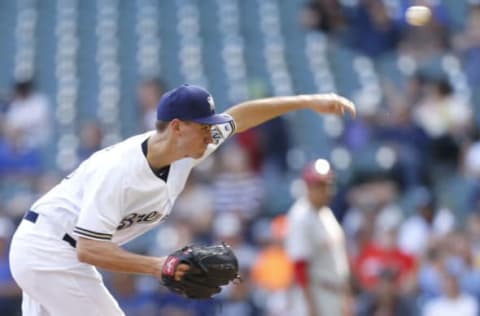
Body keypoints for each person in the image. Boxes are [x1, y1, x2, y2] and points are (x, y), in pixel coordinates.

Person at [8, 84, 355, 315]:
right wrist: (158, 265)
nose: (210, 133)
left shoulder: (190, 147)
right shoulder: (119, 172)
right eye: (203, 127)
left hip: (57, 252)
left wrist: (307, 101)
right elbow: (88, 249)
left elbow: (243, 116)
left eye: (210, 127)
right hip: (50, 249)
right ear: (176, 127)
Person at [285, 158, 351, 316]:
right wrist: (311, 307)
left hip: (335, 292)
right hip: (316, 294)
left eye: (328, 184)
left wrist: (346, 297)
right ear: (308, 186)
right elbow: (299, 266)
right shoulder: (301, 216)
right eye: (320, 185)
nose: (326, 189)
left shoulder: (325, 213)